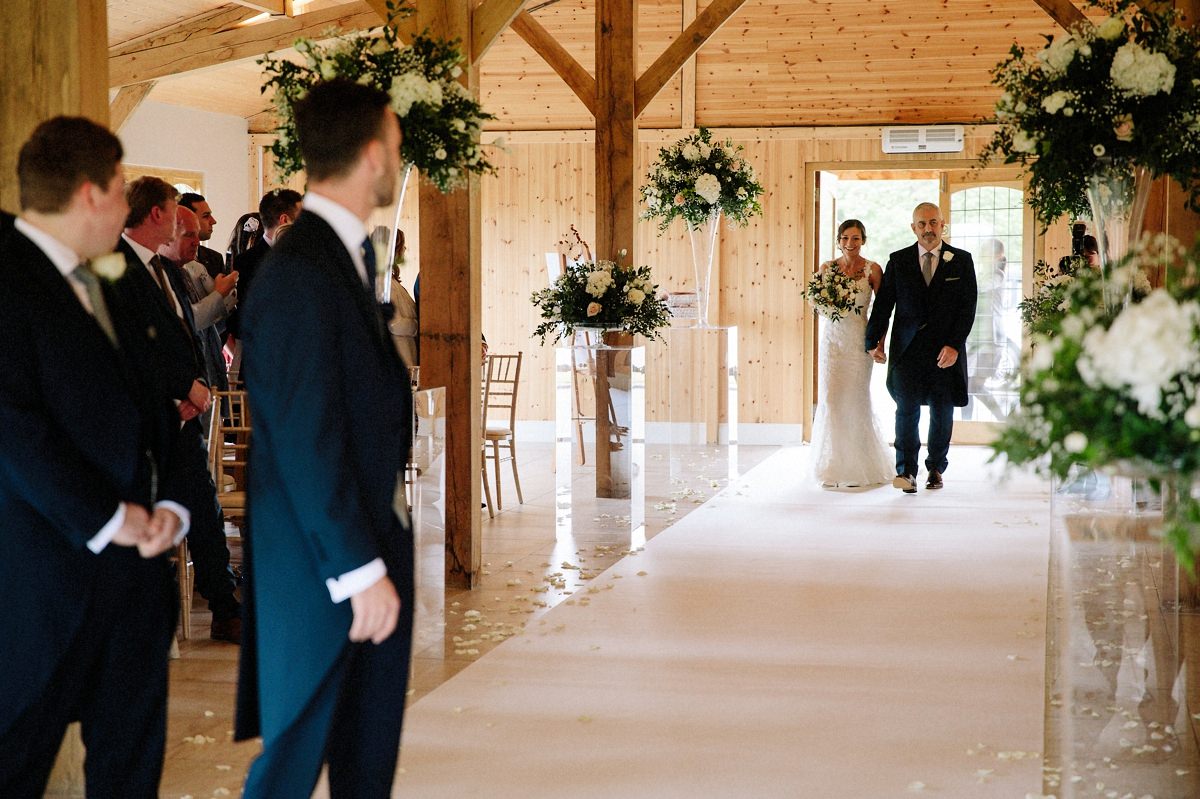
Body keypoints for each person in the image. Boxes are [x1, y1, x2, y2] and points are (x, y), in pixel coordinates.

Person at [0, 116, 190, 796]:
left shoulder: (114, 277)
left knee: (130, 773)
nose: (125, 202)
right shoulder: (9, 277)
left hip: (133, 591)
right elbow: (14, 429)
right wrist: (111, 517)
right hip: (39, 586)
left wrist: (174, 503)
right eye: (118, 186)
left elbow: (156, 406)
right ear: (89, 193)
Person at [235, 79, 414, 799]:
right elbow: (307, 437)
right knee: (290, 769)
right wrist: (357, 570)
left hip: (364, 551)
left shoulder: (343, 258)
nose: (398, 161)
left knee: (365, 765)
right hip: (325, 573)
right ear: (373, 155)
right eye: (397, 148)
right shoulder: (299, 270)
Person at [113, 176, 243, 642]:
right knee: (152, 514)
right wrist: (179, 388)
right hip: (145, 418)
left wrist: (198, 386)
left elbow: (187, 340)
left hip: (182, 414)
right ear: (157, 215)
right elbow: (131, 347)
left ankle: (225, 605)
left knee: (204, 508)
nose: (183, 228)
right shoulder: (117, 268)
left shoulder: (164, 270)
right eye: (176, 215)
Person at [865, 202, 977, 493]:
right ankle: (906, 471)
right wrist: (872, 341)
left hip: (945, 352)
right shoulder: (898, 260)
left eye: (933, 223)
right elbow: (884, 305)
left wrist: (954, 345)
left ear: (942, 225)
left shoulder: (962, 261)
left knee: (942, 411)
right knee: (906, 411)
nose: (928, 229)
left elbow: (968, 308)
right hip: (907, 351)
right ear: (913, 228)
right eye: (921, 224)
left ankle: (936, 468)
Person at [810, 219, 893, 488]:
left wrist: (879, 344)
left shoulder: (873, 270)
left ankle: (858, 468)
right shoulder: (827, 269)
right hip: (833, 342)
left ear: (863, 240)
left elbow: (882, 312)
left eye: (855, 238)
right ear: (838, 240)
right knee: (832, 400)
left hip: (859, 340)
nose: (850, 244)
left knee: (855, 400)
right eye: (845, 238)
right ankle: (835, 466)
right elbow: (817, 302)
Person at [179, 192, 226, 279]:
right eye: (206, 216)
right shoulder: (172, 260)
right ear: (189, 218)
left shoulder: (215, 258)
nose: (213, 221)